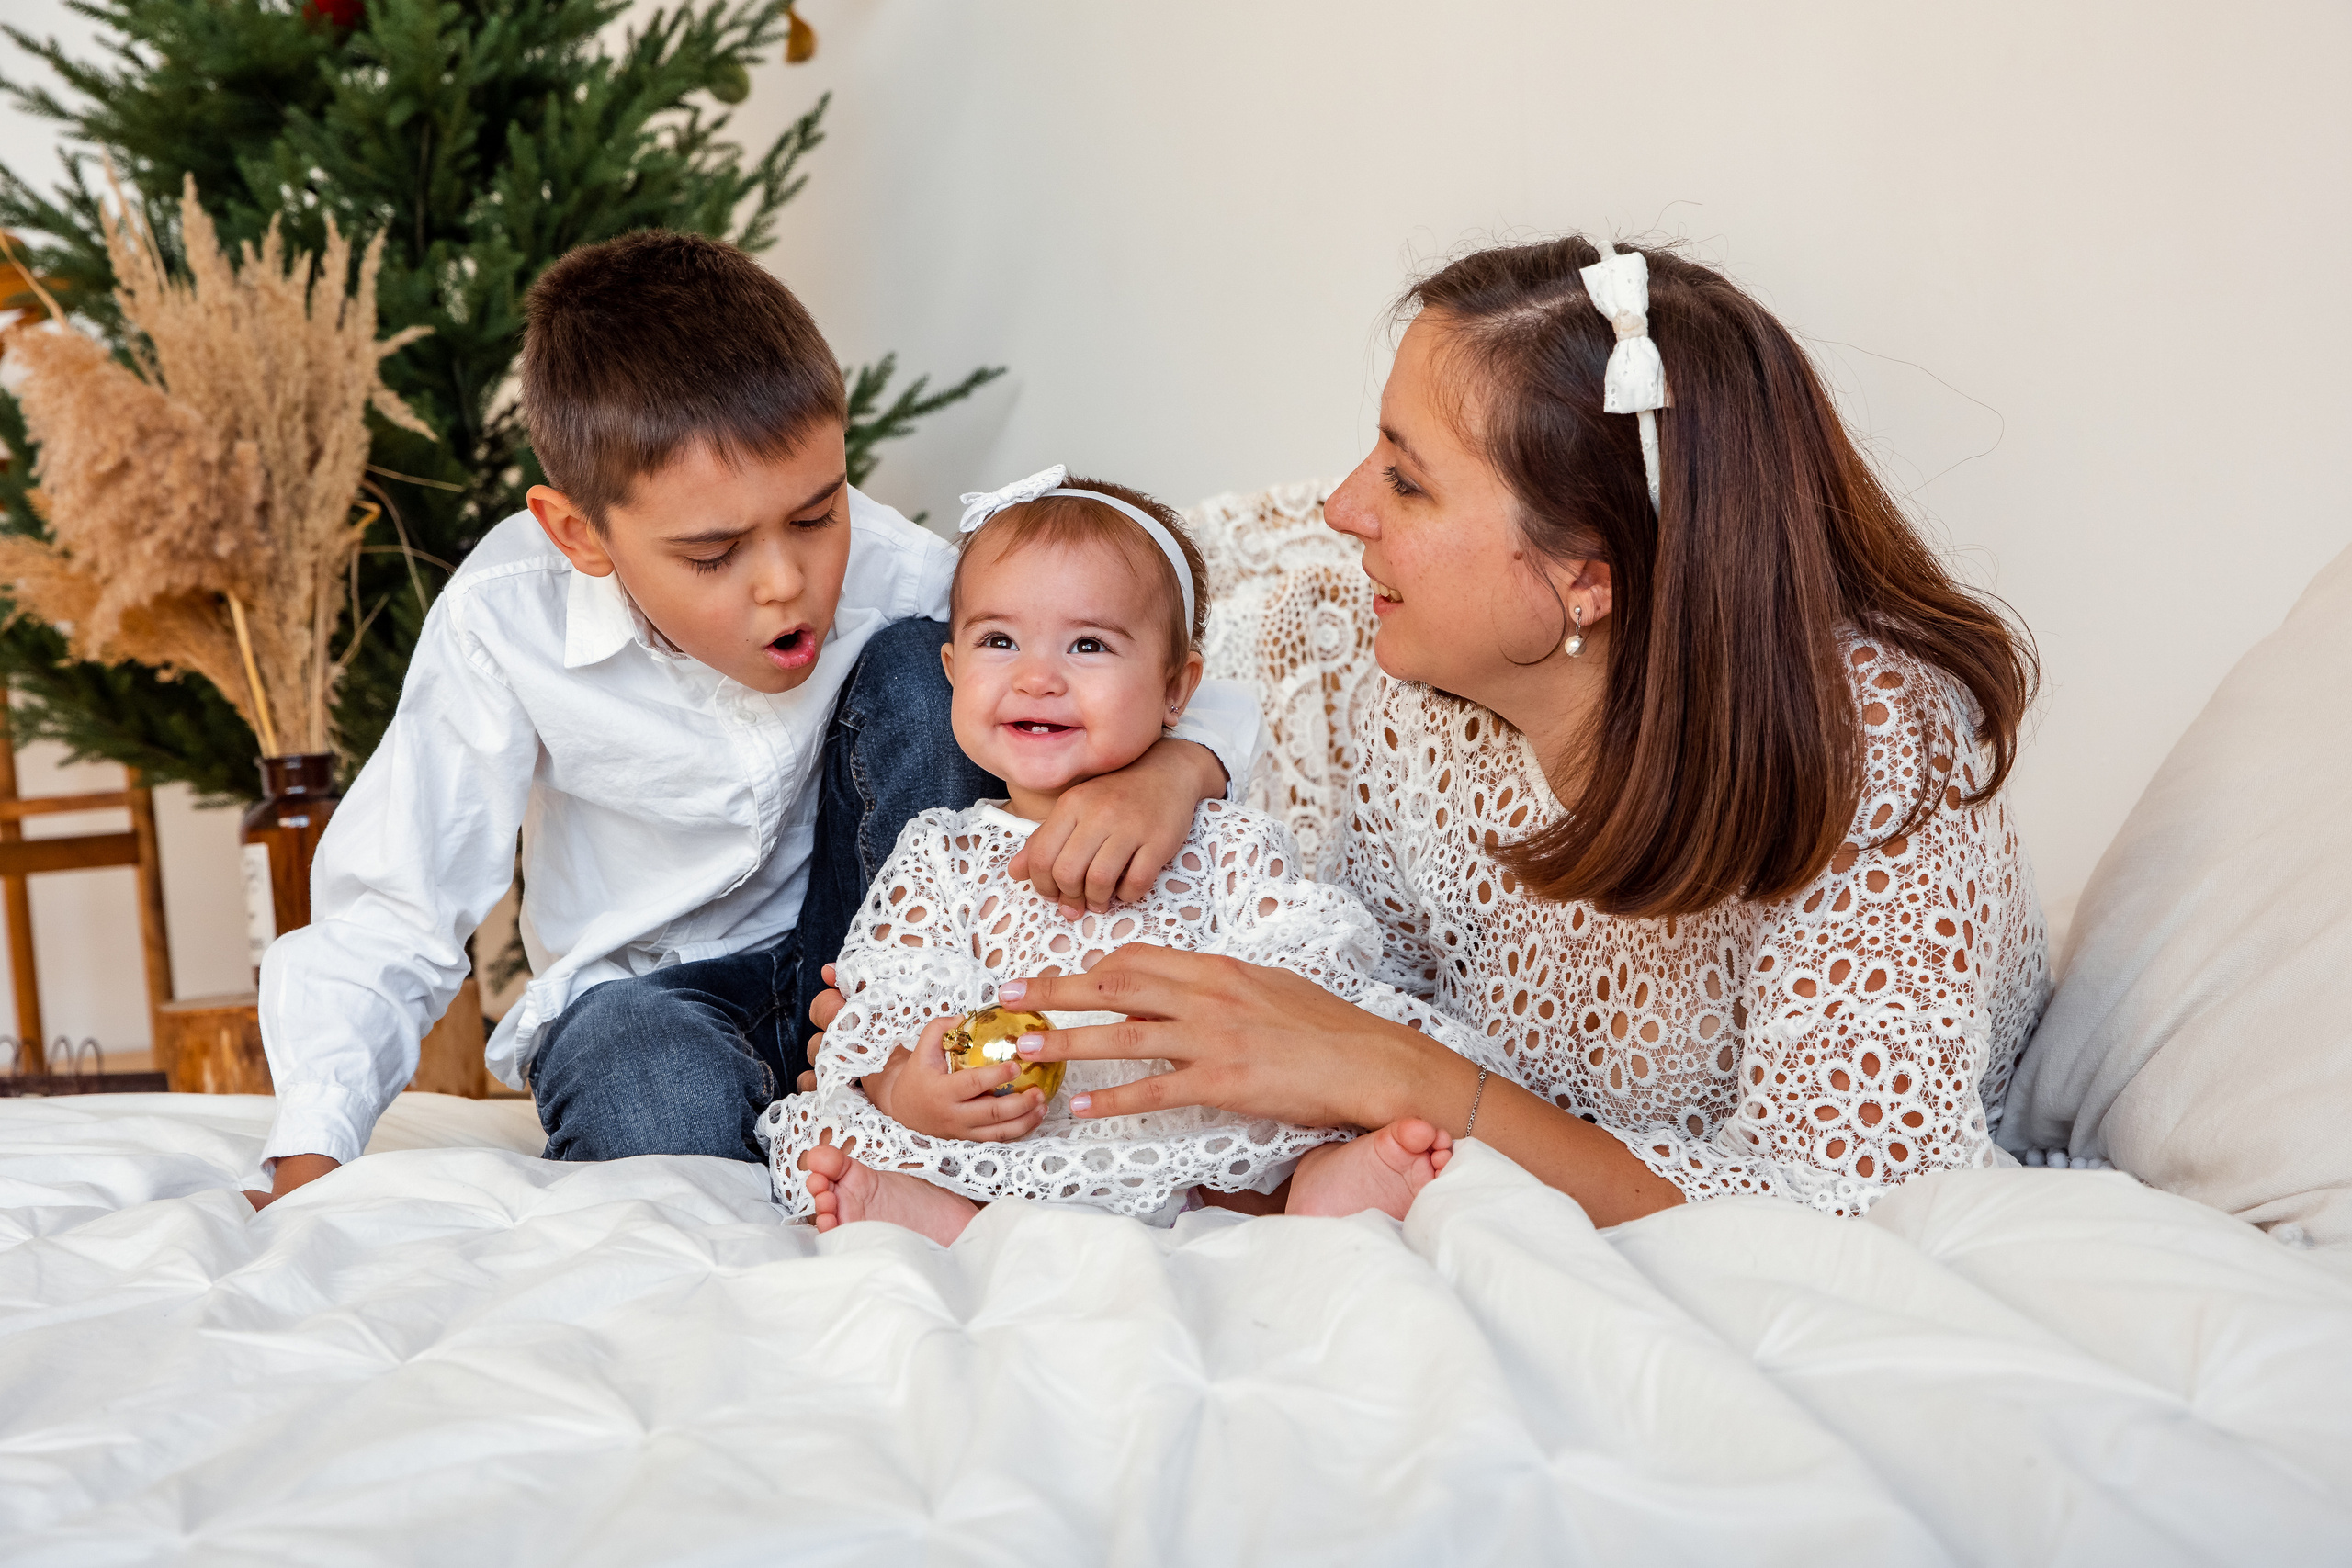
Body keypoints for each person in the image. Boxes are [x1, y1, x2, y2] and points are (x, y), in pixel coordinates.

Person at [896, 236, 2049, 1227]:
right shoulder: (1371, 622)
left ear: (1581, 581)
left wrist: (1387, 1070)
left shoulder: (1877, 757)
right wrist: (1177, 759)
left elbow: (1845, 1207)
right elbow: (1088, 590)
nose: (1343, 506)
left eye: (1405, 481)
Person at [244, 233, 1266, 1210]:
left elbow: (1132, 653)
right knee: (646, 1082)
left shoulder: (901, 573)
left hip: (890, 979)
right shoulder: (505, 614)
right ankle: (816, 1159)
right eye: (712, 553)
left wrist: (1173, 771)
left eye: (818, 515)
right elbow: (397, 898)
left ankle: (877, 1110)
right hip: (661, 1000)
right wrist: (310, 1151)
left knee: (924, 664)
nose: (788, 583)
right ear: (580, 533)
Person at [771, 468, 1489, 1242]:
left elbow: (1308, 964)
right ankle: (939, 1213)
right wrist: (912, 1089)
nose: (1037, 676)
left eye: (1089, 644)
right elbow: (886, 1000)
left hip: (1200, 1126)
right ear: (950, 671)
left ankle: (1313, 1191)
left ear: (1177, 688)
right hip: (1020, 1137)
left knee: (1302, 1131)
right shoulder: (943, 851)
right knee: (824, 1129)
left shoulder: (1221, 839)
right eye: (999, 640)